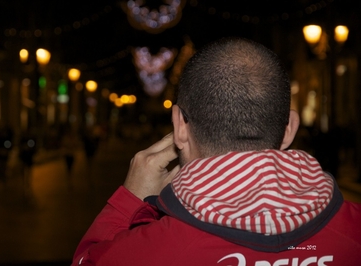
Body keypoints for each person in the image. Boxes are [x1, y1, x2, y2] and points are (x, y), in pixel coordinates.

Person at [71, 37, 361, 265]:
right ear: (290, 128)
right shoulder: (354, 234)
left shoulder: (142, 253)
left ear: (179, 126)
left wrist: (128, 202)